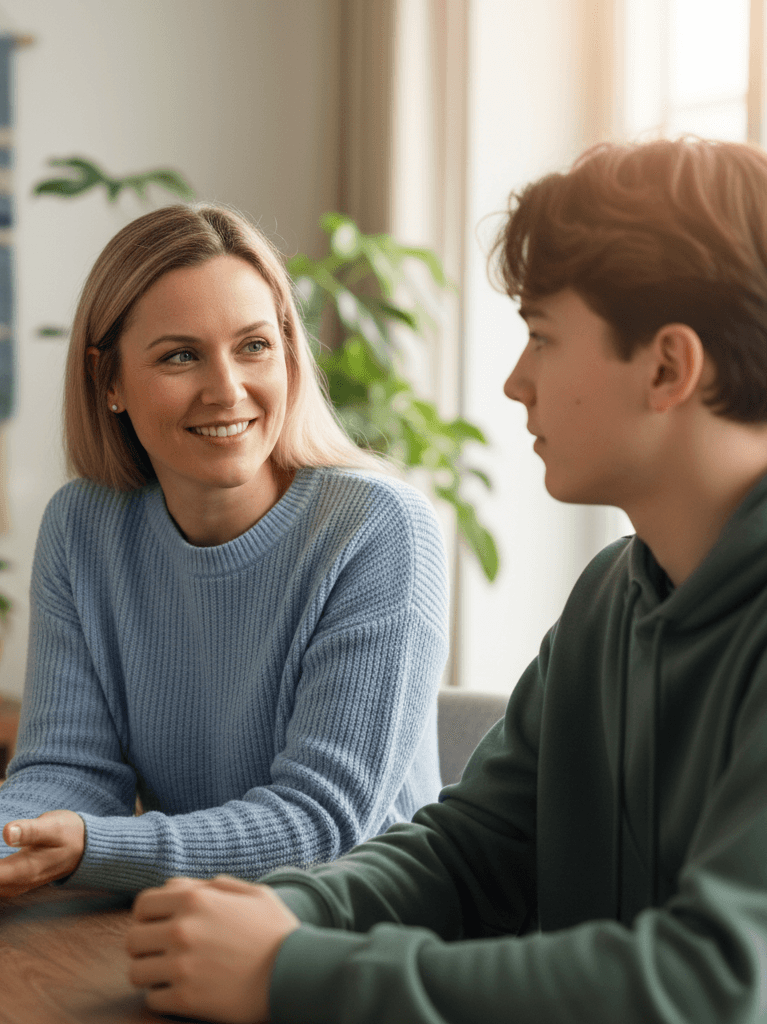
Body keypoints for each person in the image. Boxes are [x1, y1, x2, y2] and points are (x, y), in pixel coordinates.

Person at [123, 137, 767, 1024]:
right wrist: (288, 912)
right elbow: (473, 851)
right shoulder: (613, 595)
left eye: (542, 337)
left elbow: (715, 985)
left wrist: (296, 973)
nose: (514, 381)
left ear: (667, 367)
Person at [0, 204, 449, 898]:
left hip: (363, 942)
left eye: (254, 346)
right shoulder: (83, 528)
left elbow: (323, 823)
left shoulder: (379, 529)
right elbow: (72, 773)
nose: (227, 389)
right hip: (194, 920)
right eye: (181, 355)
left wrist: (86, 850)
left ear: (291, 354)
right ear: (108, 380)